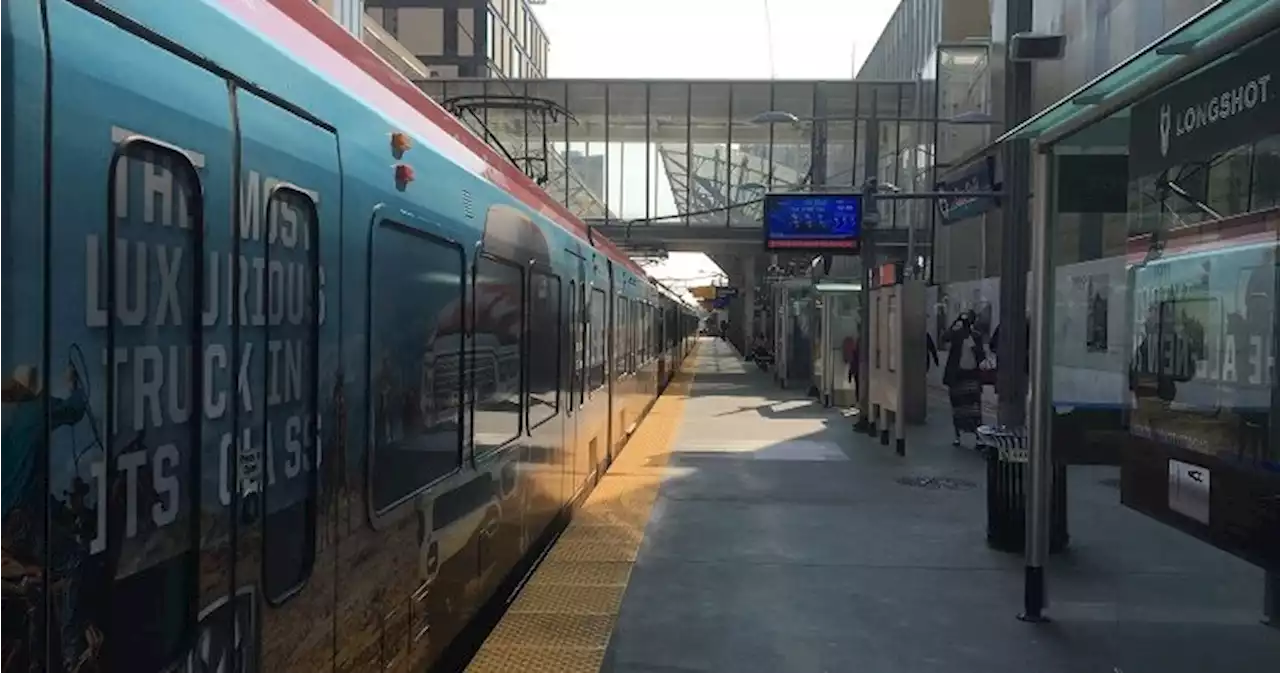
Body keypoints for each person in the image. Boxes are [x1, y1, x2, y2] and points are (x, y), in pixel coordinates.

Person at [941, 311, 987, 446]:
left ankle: (975, 436)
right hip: (959, 376)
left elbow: (981, 355)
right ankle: (960, 435)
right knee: (959, 407)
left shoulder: (975, 336)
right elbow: (944, 337)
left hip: (969, 375)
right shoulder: (957, 335)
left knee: (973, 408)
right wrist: (955, 322)